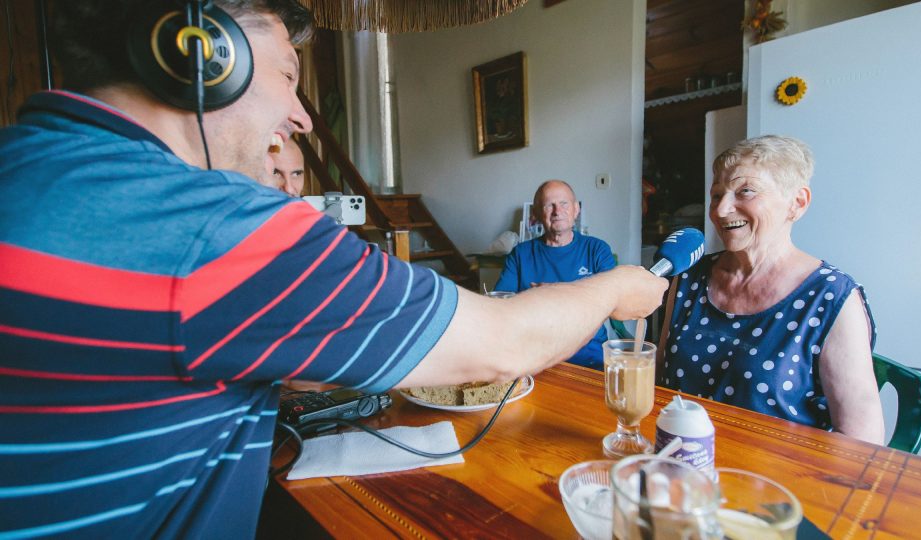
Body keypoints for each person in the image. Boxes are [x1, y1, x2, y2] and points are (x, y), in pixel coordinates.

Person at [0, 2, 668, 538]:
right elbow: (504, 344)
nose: (299, 116)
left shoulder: (27, 161)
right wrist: (621, 285)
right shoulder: (214, 224)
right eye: (288, 75)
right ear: (201, 50)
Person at [657, 135, 884, 444]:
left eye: (745, 191)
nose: (721, 210)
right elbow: (658, 386)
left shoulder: (830, 297)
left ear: (797, 203)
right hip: (679, 468)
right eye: (716, 195)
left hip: (776, 482)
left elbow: (862, 440)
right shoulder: (688, 279)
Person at [494, 180, 617, 368]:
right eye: (549, 205)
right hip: (533, 352)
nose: (557, 211)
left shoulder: (597, 249)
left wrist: (553, 293)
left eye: (564, 203)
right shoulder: (520, 254)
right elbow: (501, 307)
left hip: (587, 351)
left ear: (576, 209)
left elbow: (611, 301)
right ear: (535, 214)